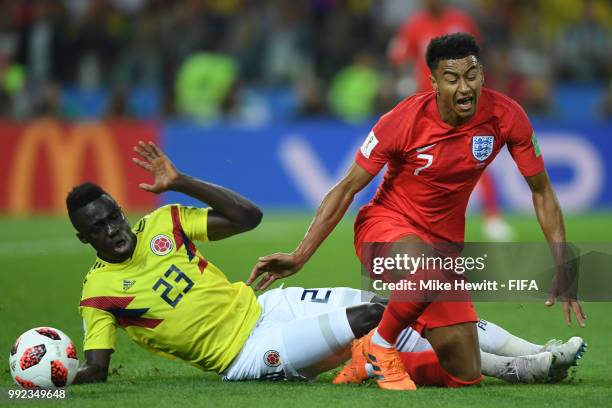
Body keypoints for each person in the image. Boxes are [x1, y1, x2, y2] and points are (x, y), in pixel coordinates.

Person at [68, 141, 582, 385]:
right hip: (245, 354)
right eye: (98, 227)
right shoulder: (99, 295)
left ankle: (541, 350)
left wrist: (180, 182)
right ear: (83, 237)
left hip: (268, 308)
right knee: (374, 319)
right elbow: (97, 367)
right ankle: (514, 369)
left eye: (113, 215)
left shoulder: (162, 226)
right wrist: (55, 381)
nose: (112, 229)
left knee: (401, 303)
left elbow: (247, 217)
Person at [249, 33, 586, 391]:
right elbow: (346, 187)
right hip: (384, 230)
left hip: (441, 249)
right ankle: (381, 344)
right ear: (434, 82)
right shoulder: (403, 120)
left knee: (464, 374)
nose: (463, 88)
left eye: (471, 76)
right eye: (452, 78)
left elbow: (542, 191)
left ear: (483, 75)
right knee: (428, 268)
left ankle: (365, 359)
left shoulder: (506, 116)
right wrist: (300, 255)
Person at [388, 0, 512, 241]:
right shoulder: (414, 26)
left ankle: (492, 217)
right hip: (427, 106)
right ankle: (410, 218)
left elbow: (477, 58)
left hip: (461, 103)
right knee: (420, 162)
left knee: (476, 157)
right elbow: (398, 57)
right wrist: (404, 80)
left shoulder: (461, 21)